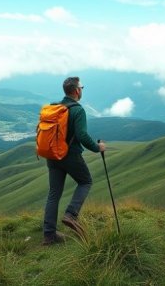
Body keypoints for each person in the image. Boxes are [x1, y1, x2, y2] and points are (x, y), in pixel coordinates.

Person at [42, 76, 106, 245]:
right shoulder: (78, 110)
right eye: (81, 88)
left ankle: (49, 235)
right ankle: (71, 214)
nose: (81, 90)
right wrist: (97, 147)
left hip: (52, 155)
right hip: (70, 156)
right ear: (77, 90)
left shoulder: (55, 107)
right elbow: (82, 135)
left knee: (54, 193)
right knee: (86, 181)